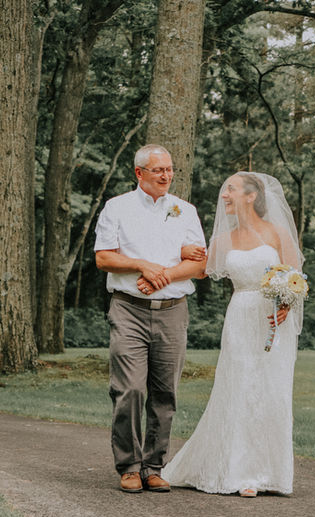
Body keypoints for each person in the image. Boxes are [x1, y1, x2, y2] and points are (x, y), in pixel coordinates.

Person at [162, 172, 304, 497]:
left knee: (272, 390)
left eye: (231, 190)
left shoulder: (277, 232)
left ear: (251, 196)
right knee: (240, 386)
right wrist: (160, 270)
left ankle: (273, 474)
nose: (224, 195)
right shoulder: (223, 240)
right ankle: (241, 473)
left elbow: (296, 277)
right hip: (241, 316)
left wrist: (287, 303)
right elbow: (197, 268)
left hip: (272, 322)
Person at [94, 144, 206, 493]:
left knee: (165, 392)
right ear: (139, 172)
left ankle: (155, 466)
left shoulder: (184, 211)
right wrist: (143, 265)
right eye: (158, 170)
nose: (166, 175)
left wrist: (166, 274)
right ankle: (129, 466)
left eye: (170, 169)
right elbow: (104, 258)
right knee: (128, 389)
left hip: (172, 312)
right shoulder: (117, 208)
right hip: (128, 309)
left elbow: (199, 265)